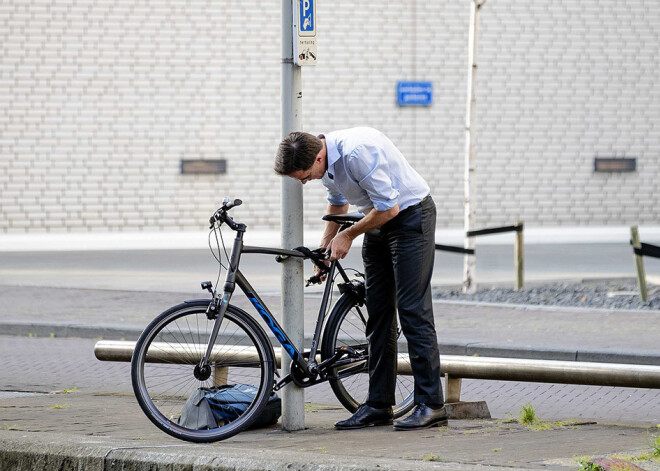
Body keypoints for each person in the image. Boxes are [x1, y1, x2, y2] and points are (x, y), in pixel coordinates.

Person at [274, 127, 447, 431]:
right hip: (379, 221)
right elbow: (338, 203)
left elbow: (390, 207)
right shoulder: (325, 161)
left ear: (318, 157)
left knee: (412, 311)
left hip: (410, 218)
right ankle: (379, 405)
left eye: (304, 176)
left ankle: (432, 404)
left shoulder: (357, 153)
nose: (305, 181)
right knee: (378, 314)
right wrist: (326, 248)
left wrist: (349, 234)